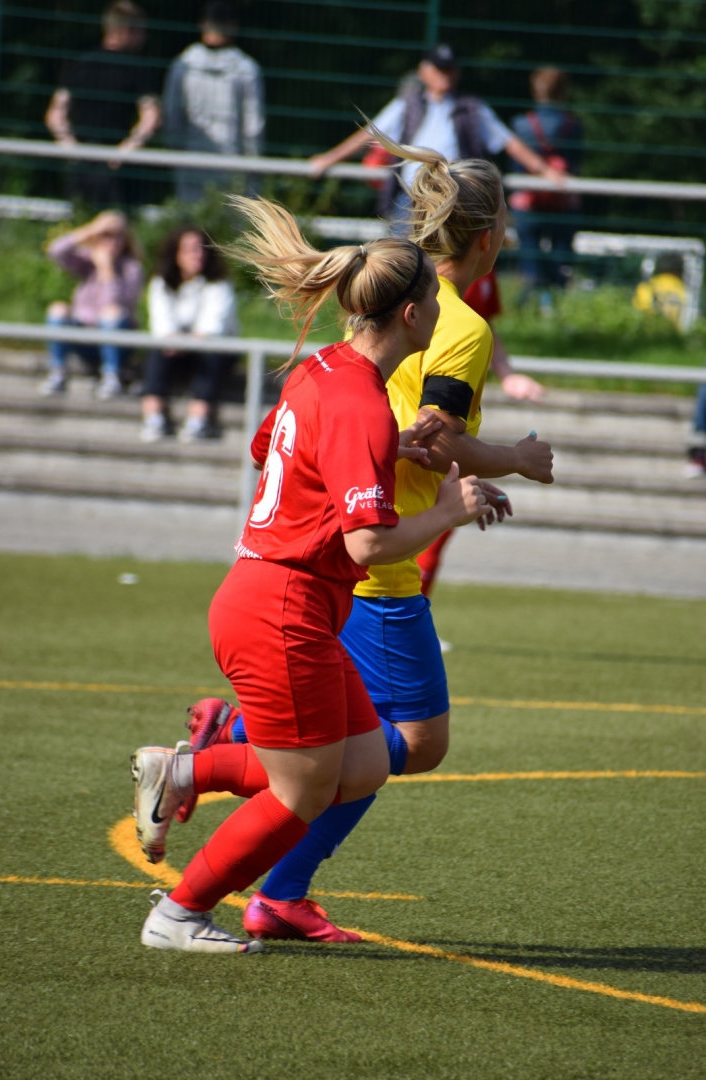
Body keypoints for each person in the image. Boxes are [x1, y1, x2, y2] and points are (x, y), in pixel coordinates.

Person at [177, 134, 555, 944]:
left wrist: (392, 453)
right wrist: (515, 460)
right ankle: (227, 767)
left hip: (325, 556)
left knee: (368, 752)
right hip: (372, 562)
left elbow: (313, 441)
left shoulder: (349, 335)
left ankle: (265, 860)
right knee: (409, 742)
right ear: (489, 237)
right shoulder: (458, 325)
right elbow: (440, 440)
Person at [130, 194, 492, 954]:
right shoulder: (362, 401)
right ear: (413, 317)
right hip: (281, 610)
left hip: (269, 596)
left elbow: (269, 448)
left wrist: (380, 452)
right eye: (433, 300)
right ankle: (180, 914)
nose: (441, 310)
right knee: (302, 790)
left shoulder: (322, 367)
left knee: (362, 766)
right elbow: (368, 546)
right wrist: (448, 510)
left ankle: (186, 772)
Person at [310, 43, 565, 230]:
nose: (445, 75)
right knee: (405, 266)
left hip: (456, 199)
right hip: (411, 198)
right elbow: (368, 134)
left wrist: (545, 170)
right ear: (423, 71)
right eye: (440, 69)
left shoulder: (472, 108)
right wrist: (329, 159)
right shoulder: (407, 104)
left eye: (450, 69)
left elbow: (509, 142)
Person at [417, 272, 546, 598]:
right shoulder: (458, 321)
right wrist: (517, 459)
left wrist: (507, 372)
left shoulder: (475, 292)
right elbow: (433, 442)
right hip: (381, 596)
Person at [44, 1, 161, 207]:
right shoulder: (136, 69)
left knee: (80, 220)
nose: (145, 38)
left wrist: (72, 150)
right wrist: (125, 152)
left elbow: (55, 115)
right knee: (118, 223)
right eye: (141, 32)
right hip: (117, 170)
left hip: (82, 165)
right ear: (126, 31)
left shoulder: (80, 65)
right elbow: (152, 117)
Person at [141, 227, 240, 443]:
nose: (198, 254)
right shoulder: (161, 283)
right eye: (190, 249)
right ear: (176, 254)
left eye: (202, 249)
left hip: (211, 352)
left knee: (211, 354)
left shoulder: (220, 284)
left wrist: (180, 340)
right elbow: (162, 326)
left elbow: (211, 329)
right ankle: (153, 416)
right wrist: (177, 340)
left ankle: (198, 419)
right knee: (157, 353)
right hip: (177, 350)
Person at [163, 1, 265, 203]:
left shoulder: (183, 65)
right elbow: (253, 126)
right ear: (233, 26)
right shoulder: (246, 68)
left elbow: (172, 118)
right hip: (232, 164)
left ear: (202, 24)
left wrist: (175, 154)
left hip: (191, 162)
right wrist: (253, 166)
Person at [40, 211, 143, 399]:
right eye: (106, 235)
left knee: (111, 313)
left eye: (117, 236)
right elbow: (55, 251)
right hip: (85, 339)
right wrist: (90, 230)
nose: (112, 241)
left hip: (118, 341)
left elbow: (112, 306)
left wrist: (107, 270)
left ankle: (112, 377)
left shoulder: (132, 268)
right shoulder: (88, 261)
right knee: (58, 308)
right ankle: (58, 373)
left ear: (125, 239)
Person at [509, 68, 583, 297]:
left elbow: (517, 167)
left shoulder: (521, 124)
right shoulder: (573, 126)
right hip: (563, 202)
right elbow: (575, 165)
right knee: (560, 264)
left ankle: (530, 303)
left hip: (528, 203)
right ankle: (554, 303)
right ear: (563, 92)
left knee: (530, 263)